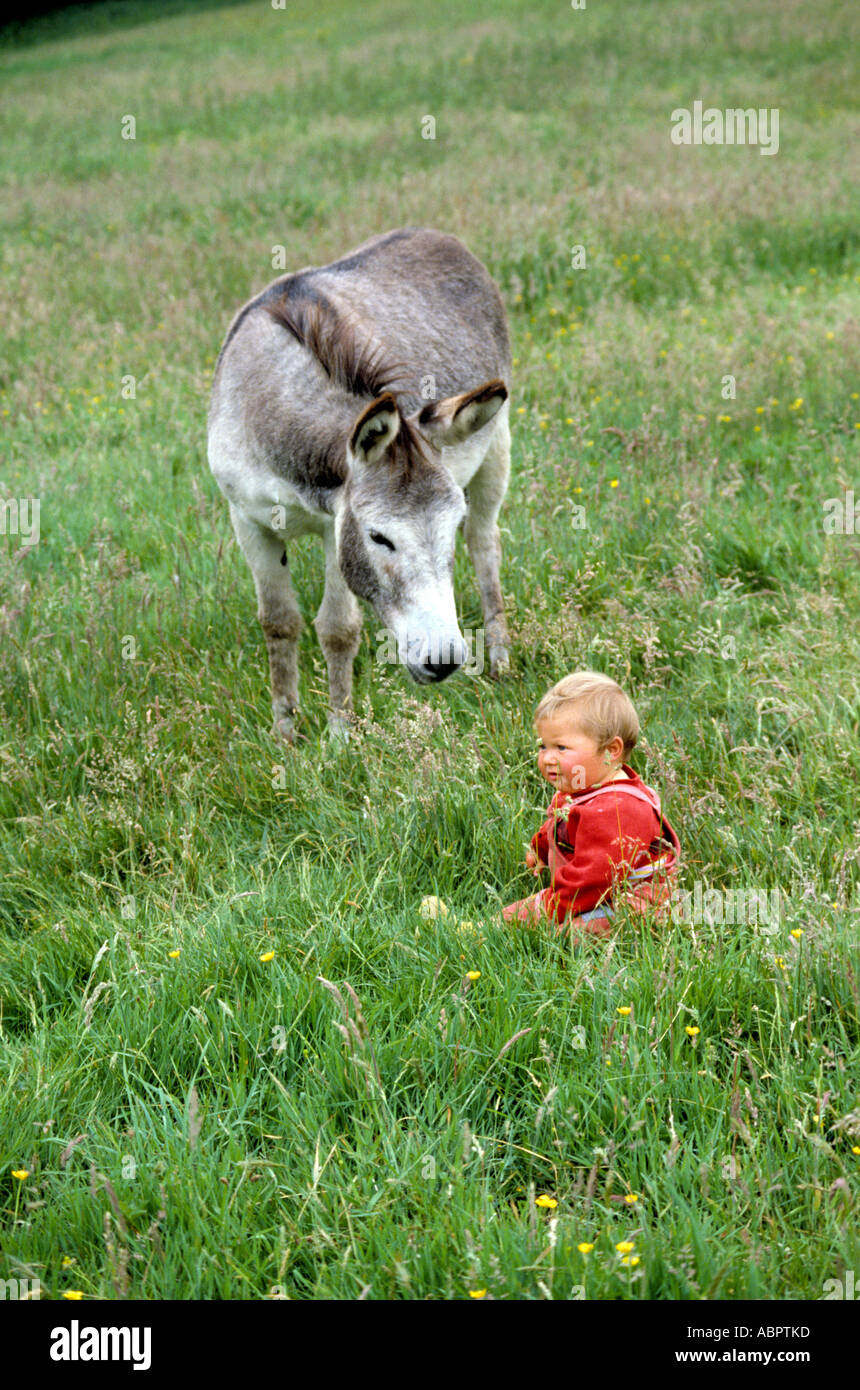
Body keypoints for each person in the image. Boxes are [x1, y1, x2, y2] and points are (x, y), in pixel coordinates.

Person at [501, 671, 681, 939]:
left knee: (572, 935)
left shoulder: (619, 811)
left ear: (610, 751)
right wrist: (541, 847)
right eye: (543, 746)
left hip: (633, 899)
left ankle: (635, 935)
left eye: (561, 747)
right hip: (602, 888)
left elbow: (587, 884)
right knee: (570, 925)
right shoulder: (583, 784)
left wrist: (529, 912)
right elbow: (560, 820)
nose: (548, 758)